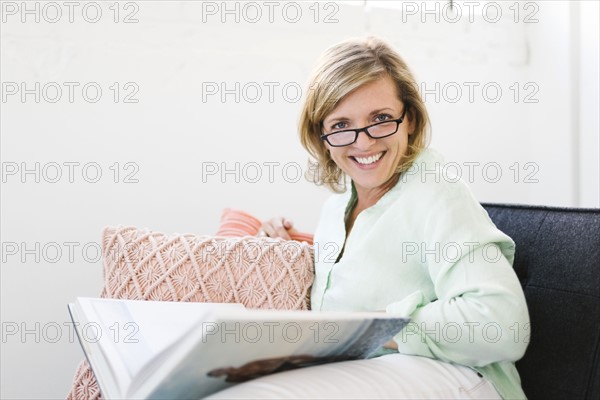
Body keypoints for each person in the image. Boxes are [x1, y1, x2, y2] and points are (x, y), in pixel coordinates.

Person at [208, 36, 530, 399]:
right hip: (374, 374)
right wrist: (289, 250)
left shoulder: (438, 192)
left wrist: (371, 328)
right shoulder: (336, 208)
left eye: (380, 118)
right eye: (342, 124)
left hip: (460, 378)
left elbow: (502, 324)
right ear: (322, 136)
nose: (364, 142)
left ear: (409, 119)